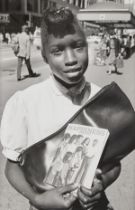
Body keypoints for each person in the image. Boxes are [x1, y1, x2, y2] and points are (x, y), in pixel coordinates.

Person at [0, 8, 121, 210]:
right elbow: (12, 167)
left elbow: (114, 163)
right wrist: (37, 199)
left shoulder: (102, 99)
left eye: (78, 47)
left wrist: (102, 183)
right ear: (45, 56)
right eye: (57, 51)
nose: (71, 59)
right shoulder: (26, 103)